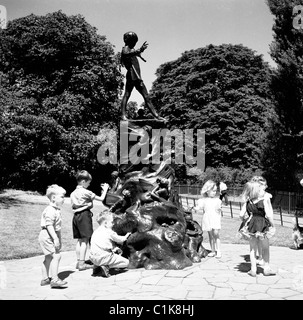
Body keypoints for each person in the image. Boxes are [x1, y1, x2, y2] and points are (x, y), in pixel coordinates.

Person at [120, 31, 165, 121]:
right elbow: (126, 54)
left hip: (136, 76)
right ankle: (123, 115)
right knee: (128, 94)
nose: (134, 44)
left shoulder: (131, 50)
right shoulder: (125, 48)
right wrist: (139, 50)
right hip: (133, 76)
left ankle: (156, 115)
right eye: (134, 42)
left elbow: (133, 53)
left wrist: (139, 52)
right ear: (129, 41)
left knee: (144, 96)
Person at [70, 170, 109, 271]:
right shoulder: (86, 192)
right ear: (83, 181)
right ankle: (82, 264)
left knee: (79, 240)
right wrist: (105, 189)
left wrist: (88, 204)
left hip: (76, 217)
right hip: (84, 216)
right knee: (85, 240)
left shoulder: (73, 193)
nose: (89, 184)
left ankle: (79, 262)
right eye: (88, 182)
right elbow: (101, 199)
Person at [239, 180, 276, 277]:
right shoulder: (264, 200)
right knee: (265, 247)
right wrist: (272, 225)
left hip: (251, 225)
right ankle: (267, 268)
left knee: (252, 249)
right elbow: (268, 214)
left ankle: (253, 270)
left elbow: (241, 215)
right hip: (263, 224)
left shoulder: (248, 201)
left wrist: (246, 219)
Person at [38, 184, 67, 288]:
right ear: (54, 198)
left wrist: (58, 239)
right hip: (47, 234)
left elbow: (57, 228)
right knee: (56, 256)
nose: (64, 199)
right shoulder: (50, 210)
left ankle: (45, 279)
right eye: (62, 197)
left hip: (50, 234)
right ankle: (55, 280)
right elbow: (49, 225)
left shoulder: (56, 209)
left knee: (49, 257)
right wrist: (55, 238)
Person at [89, 210, 131, 277]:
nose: (113, 223)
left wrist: (115, 249)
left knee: (103, 253)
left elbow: (104, 244)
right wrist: (126, 236)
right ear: (105, 223)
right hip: (103, 257)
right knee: (126, 263)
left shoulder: (96, 232)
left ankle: (97, 266)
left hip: (93, 258)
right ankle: (106, 266)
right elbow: (120, 240)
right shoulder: (109, 231)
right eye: (111, 222)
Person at [193, 180, 222, 258]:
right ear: (207, 191)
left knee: (216, 234)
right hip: (207, 218)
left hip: (215, 217)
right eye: (213, 191)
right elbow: (199, 207)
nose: (214, 192)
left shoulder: (217, 200)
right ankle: (213, 250)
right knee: (210, 235)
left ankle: (218, 251)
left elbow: (218, 209)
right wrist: (195, 208)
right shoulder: (203, 200)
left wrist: (219, 210)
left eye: (215, 191)